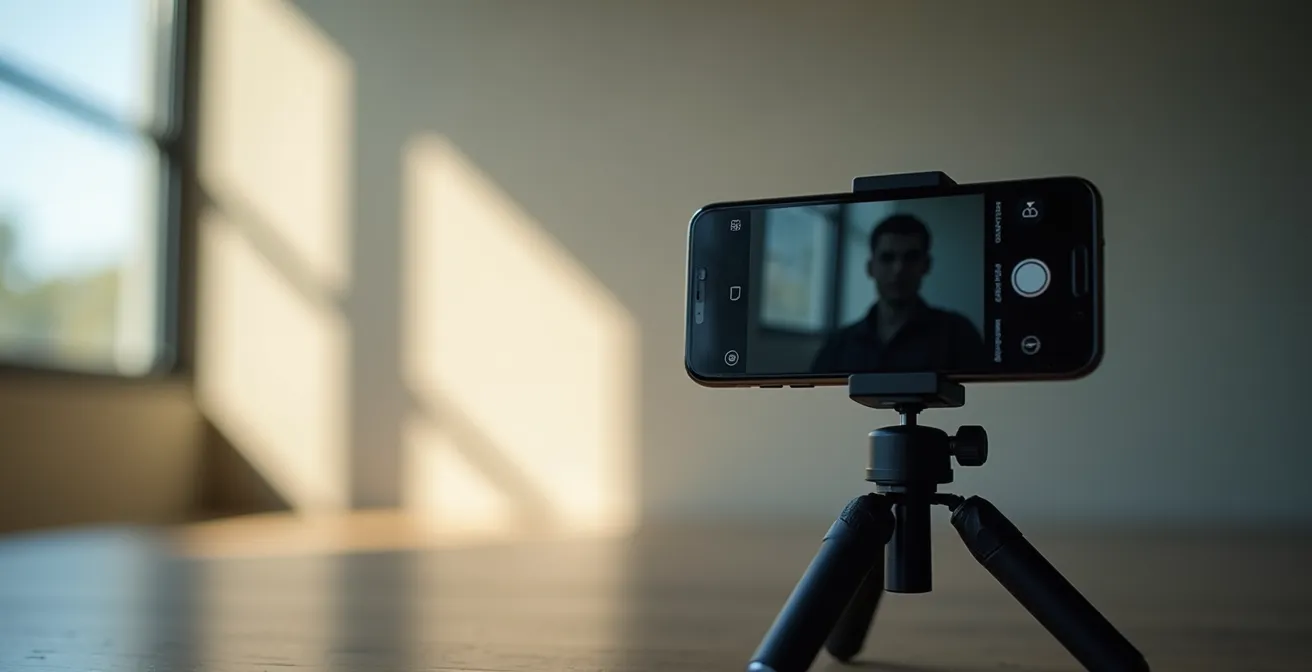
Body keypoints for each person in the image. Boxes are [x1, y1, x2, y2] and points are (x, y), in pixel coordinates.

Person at [811, 213, 987, 373]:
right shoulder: (838, 346)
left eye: (911, 258)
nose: (898, 269)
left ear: (926, 265)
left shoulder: (958, 336)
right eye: (887, 258)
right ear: (870, 267)